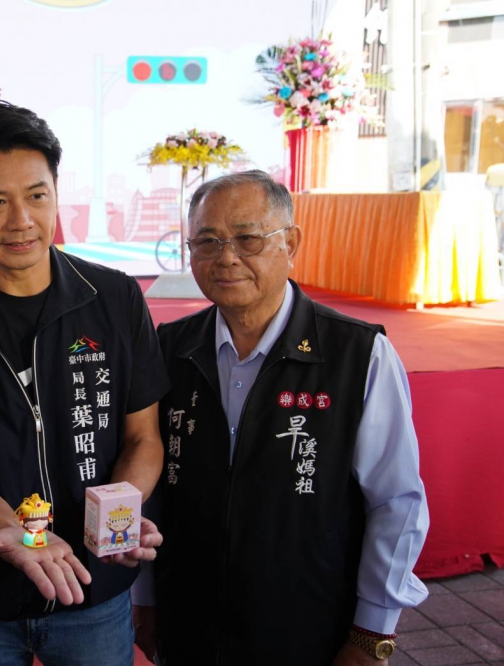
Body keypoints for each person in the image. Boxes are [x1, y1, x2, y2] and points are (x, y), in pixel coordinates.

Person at [0, 101, 169, 666]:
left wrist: (116, 516)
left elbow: (144, 439)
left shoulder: (115, 299)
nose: (21, 220)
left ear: (55, 193)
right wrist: (22, 537)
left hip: (95, 589)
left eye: (37, 195)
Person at [133, 170, 429, 665]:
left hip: (309, 625)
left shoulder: (358, 355)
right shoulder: (168, 348)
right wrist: (144, 595)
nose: (227, 257)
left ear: (290, 243)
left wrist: (372, 631)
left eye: (247, 238)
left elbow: (395, 500)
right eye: (207, 241)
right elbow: (153, 489)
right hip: (190, 620)